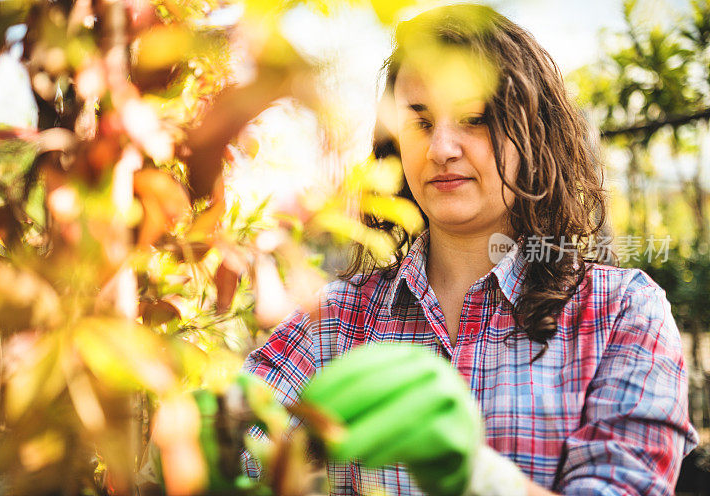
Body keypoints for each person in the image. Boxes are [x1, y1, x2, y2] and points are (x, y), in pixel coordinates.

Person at [242, 3, 699, 495]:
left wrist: (479, 478)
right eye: (419, 122)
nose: (441, 148)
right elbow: (244, 445)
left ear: (534, 135)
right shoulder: (335, 319)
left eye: (474, 118)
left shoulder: (621, 313)